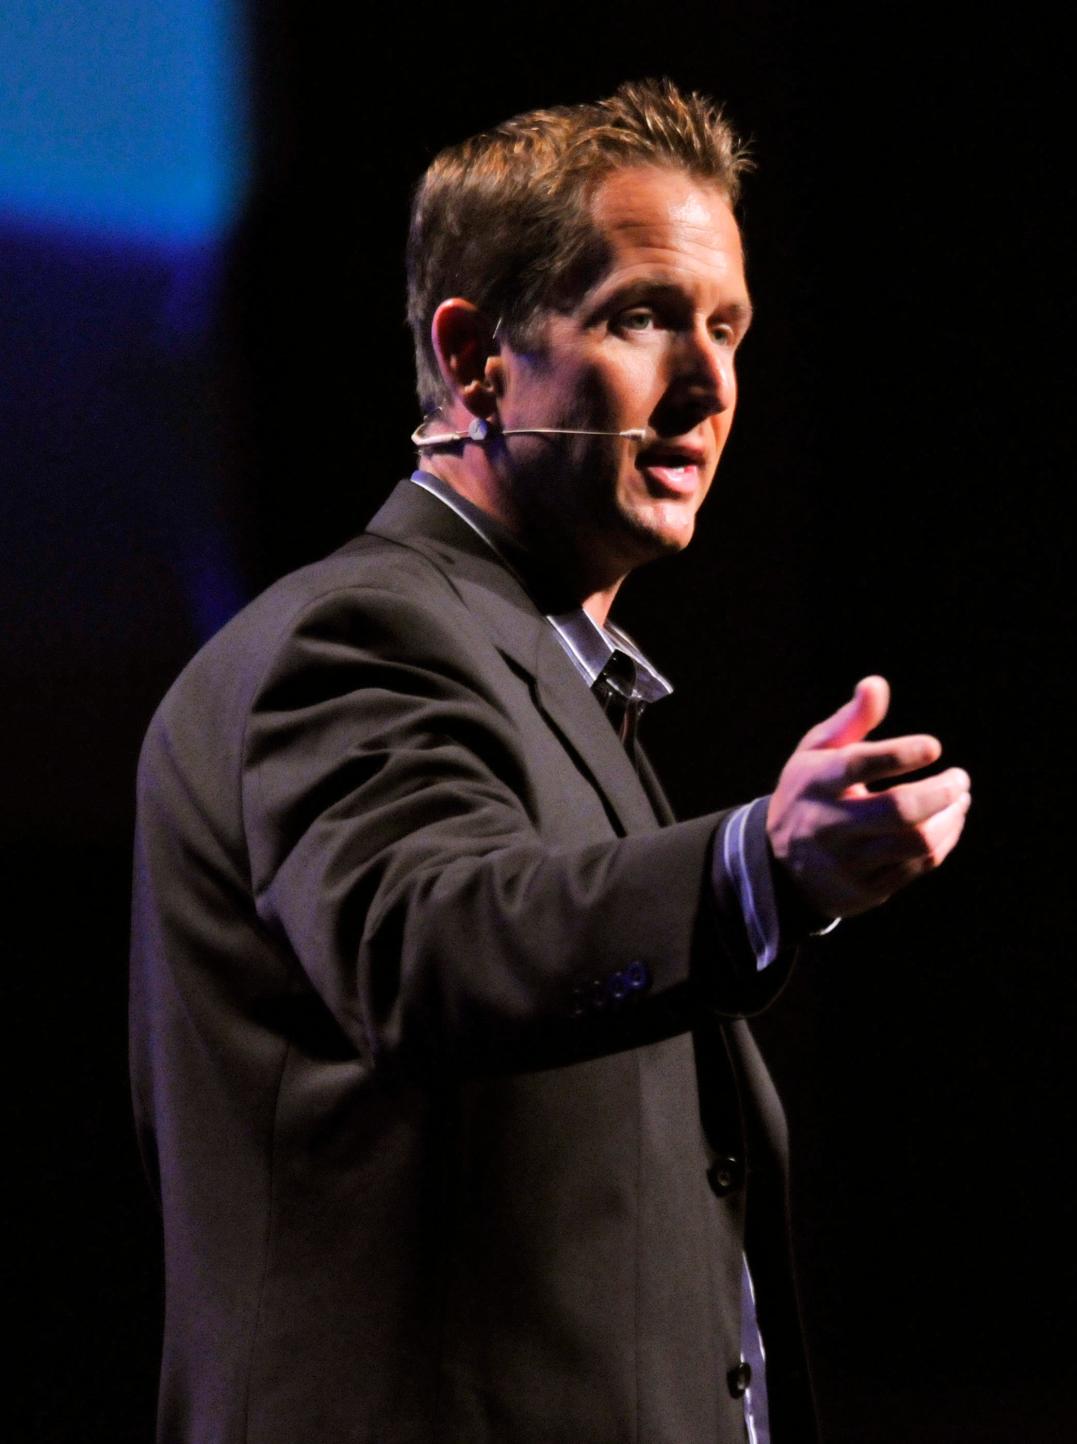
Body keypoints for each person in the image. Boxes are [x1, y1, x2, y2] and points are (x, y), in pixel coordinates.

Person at [130, 79, 970, 1443]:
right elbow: (424, 940)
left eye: (727, 327)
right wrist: (754, 867)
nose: (707, 385)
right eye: (643, 316)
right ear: (474, 361)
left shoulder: (550, 684)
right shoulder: (363, 637)